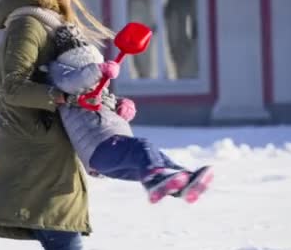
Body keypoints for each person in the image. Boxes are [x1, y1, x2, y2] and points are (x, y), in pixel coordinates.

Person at [0, 0, 115, 250]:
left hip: (45, 150)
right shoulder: (28, 24)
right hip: (32, 154)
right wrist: (64, 98)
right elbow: (13, 87)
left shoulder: (45, 25)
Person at [47, 24, 213, 204]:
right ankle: (157, 179)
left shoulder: (94, 88)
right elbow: (70, 82)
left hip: (110, 150)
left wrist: (120, 104)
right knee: (143, 148)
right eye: (88, 68)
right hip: (99, 148)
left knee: (150, 159)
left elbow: (101, 100)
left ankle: (181, 181)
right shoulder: (60, 72)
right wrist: (98, 70)